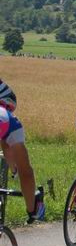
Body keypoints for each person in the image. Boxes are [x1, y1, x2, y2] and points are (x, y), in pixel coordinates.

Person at [0, 80, 45, 223]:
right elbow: (25, 173)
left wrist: (13, 169)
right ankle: (34, 209)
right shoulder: (7, 118)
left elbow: (6, 148)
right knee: (26, 172)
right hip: (9, 127)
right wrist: (31, 209)